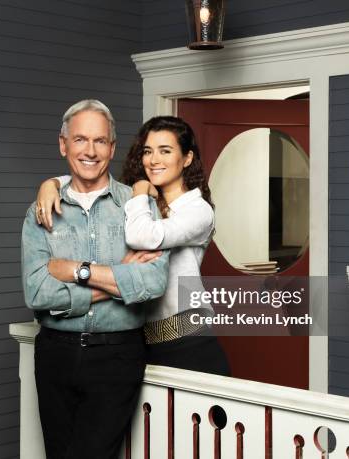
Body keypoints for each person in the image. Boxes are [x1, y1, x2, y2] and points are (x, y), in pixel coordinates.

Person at [21, 100, 169, 459]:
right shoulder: (41, 211)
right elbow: (37, 292)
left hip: (116, 354)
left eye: (100, 141)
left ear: (112, 148)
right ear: (63, 144)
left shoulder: (137, 205)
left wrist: (77, 270)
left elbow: (151, 283)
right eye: (80, 140)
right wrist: (118, 280)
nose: (90, 151)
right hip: (55, 353)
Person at [36, 116, 230, 376]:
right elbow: (93, 182)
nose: (153, 160)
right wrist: (52, 184)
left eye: (165, 151)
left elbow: (143, 236)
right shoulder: (140, 203)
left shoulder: (197, 210)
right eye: (148, 151)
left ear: (187, 158)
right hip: (140, 341)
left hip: (189, 340)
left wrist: (139, 190)